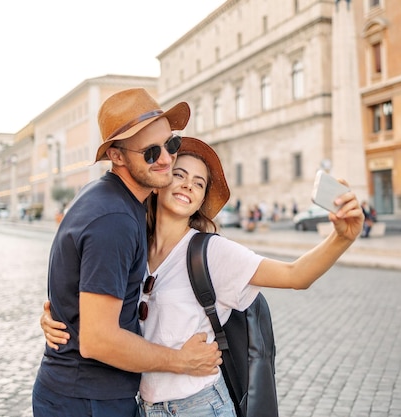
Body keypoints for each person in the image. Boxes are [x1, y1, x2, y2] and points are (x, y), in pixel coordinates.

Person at [41, 137, 364, 416]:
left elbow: (296, 275)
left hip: (199, 406)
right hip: (143, 407)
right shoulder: (131, 240)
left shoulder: (212, 253)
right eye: (179, 175)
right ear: (159, 183)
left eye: (198, 183)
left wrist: (342, 238)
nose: (187, 186)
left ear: (201, 200)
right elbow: (102, 304)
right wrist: (58, 317)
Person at [32, 89, 222, 417]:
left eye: (171, 144)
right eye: (150, 153)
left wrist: (60, 314)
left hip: (82, 395)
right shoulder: (115, 219)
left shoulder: (108, 196)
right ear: (117, 156)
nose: (166, 159)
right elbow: (98, 340)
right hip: (88, 401)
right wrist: (182, 361)